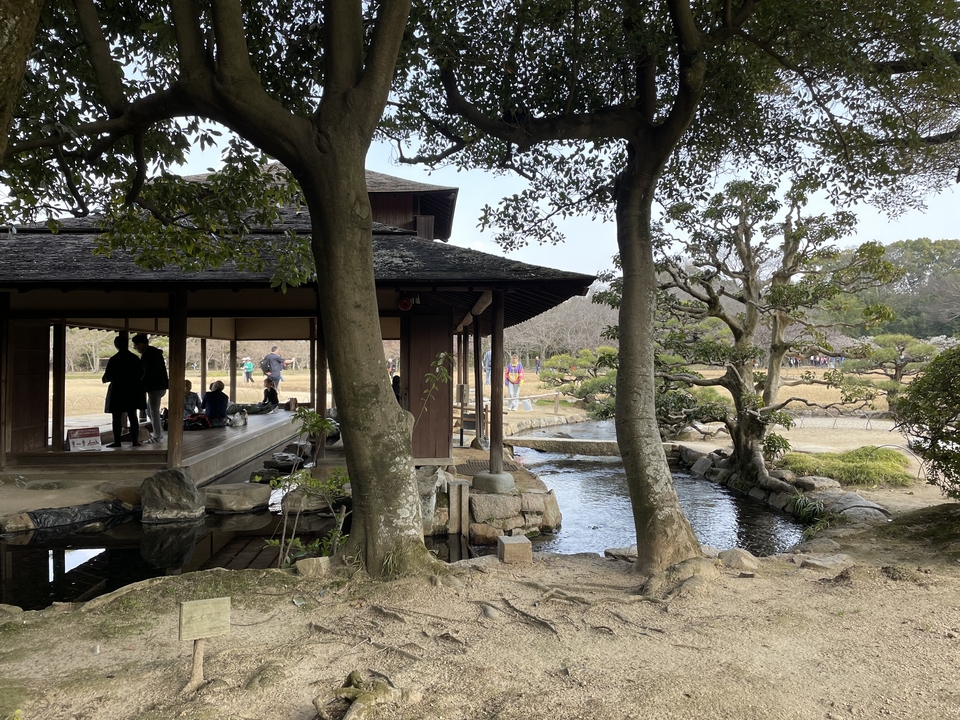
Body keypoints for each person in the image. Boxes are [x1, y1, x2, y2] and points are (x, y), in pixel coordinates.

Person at [101, 335, 145, 448]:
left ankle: (117, 442)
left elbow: (109, 375)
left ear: (116, 345)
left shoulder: (114, 359)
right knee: (133, 415)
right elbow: (141, 373)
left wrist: (105, 378)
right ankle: (135, 441)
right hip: (132, 390)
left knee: (116, 417)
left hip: (118, 390)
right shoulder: (135, 358)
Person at [132, 333, 169, 444]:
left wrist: (141, 383)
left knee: (153, 412)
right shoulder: (153, 354)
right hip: (158, 385)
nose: (135, 347)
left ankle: (157, 436)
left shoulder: (150, 355)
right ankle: (159, 433)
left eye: (136, 345)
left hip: (155, 386)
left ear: (142, 344)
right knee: (150, 411)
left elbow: (149, 373)